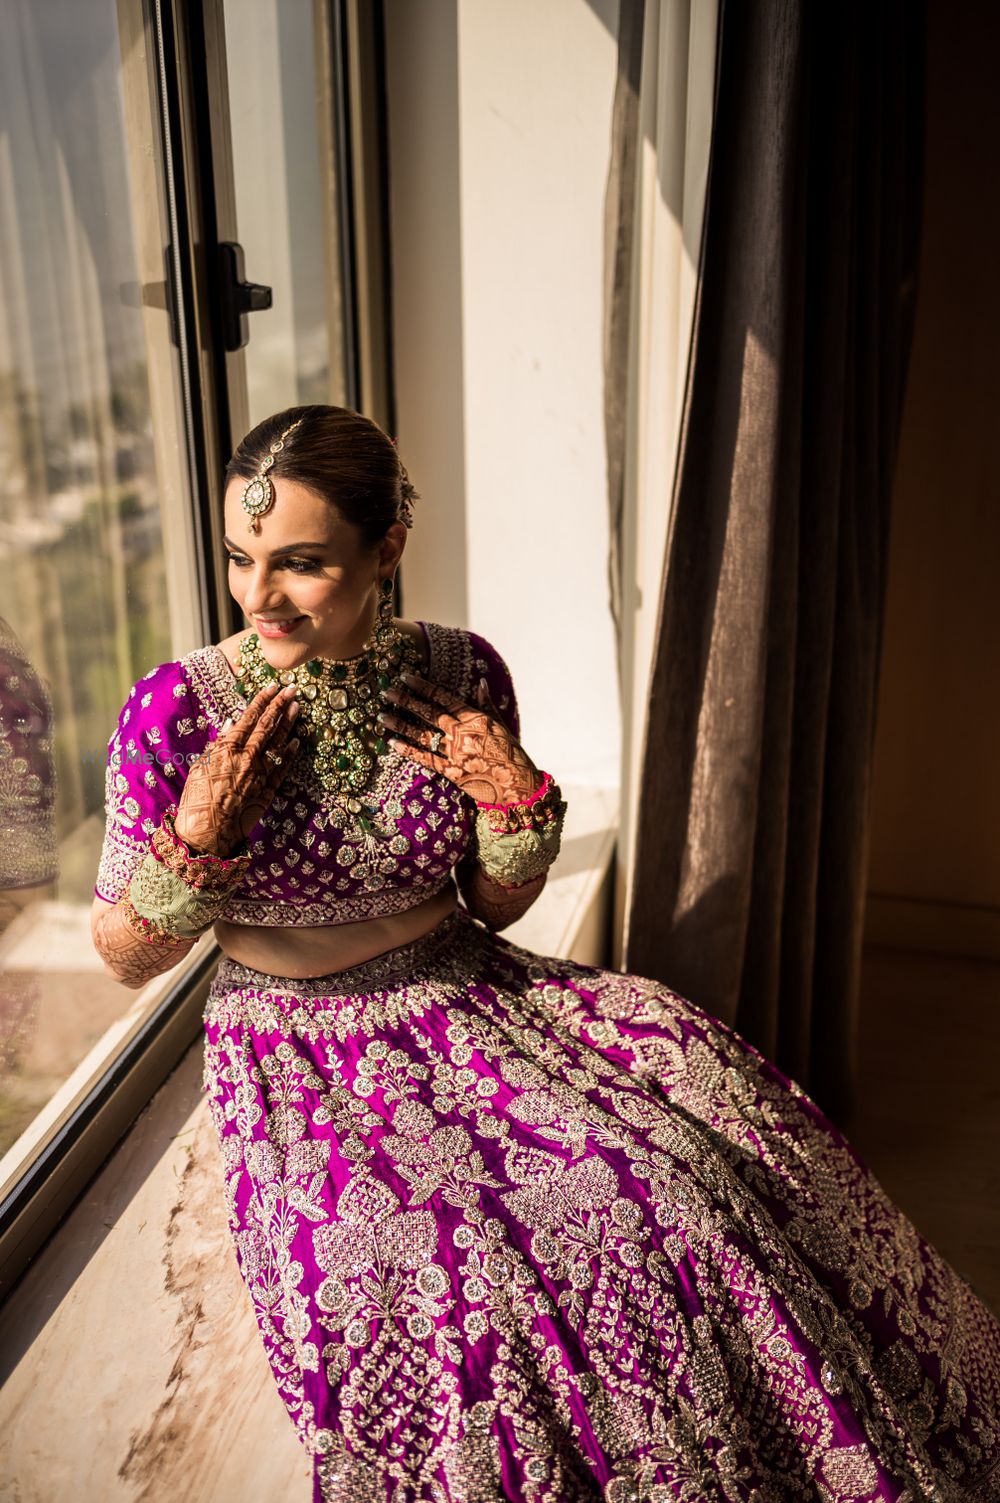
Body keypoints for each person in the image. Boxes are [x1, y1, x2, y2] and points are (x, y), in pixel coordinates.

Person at [91, 405, 1000, 1503]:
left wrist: (512, 802)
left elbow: (493, 904)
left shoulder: (461, 672)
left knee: (697, 1171)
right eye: (241, 560)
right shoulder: (176, 714)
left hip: (477, 992)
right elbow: (126, 958)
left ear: (387, 552)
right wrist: (194, 844)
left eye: (301, 564)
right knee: (457, 1288)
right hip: (303, 1046)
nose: (259, 596)